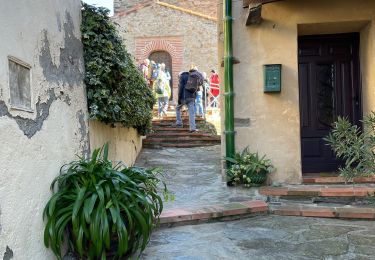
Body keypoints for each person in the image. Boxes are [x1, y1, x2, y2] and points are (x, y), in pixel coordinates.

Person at [174, 64, 203, 132]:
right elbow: (197, 88)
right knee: (192, 113)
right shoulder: (192, 76)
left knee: (177, 108)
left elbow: (181, 88)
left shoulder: (182, 77)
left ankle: (179, 123)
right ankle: (192, 128)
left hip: (184, 97)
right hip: (192, 97)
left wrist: (179, 99)